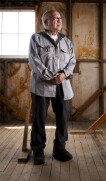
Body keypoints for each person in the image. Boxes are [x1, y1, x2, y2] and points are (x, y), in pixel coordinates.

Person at [28, 10, 76, 165]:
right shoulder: (36, 39)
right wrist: (51, 77)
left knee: (63, 117)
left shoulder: (66, 41)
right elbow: (34, 61)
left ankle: (59, 148)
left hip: (62, 83)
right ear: (46, 22)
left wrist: (63, 75)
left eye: (60, 18)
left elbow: (72, 61)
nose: (59, 21)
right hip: (42, 85)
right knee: (39, 118)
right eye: (55, 18)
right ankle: (38, 150)